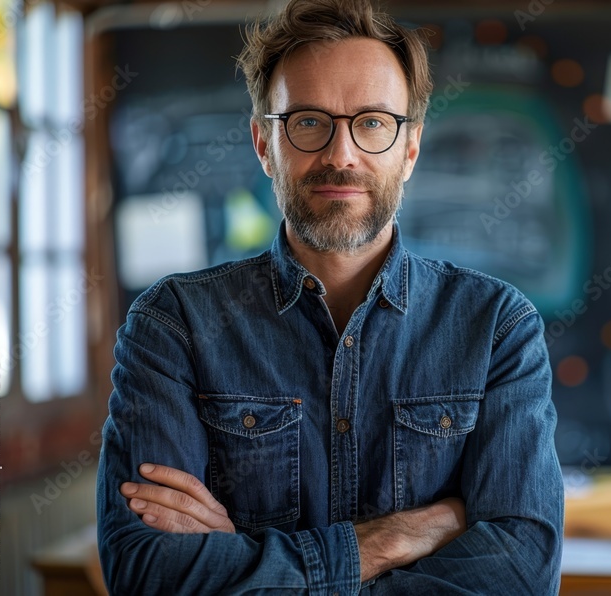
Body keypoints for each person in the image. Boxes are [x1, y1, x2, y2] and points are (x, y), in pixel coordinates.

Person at [95, 0, 564, 593]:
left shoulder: (497, 327)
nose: (342, 155)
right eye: (309, 121)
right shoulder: (175, 325)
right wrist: (388, 542)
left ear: (410, 149)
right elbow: (147, 574)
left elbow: (521, 574)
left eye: (371, 122)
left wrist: (240, 560)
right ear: (265, 145)